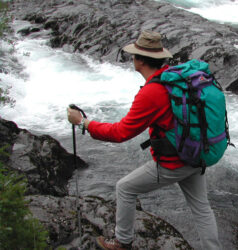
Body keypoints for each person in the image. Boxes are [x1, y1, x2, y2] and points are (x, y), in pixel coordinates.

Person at [67, 30, 221, 250]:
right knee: (201, 207)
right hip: (196, 153)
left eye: (134, 55)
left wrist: (84, 122)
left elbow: (120, 133)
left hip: (175, 161)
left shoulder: (152, 92)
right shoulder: (175, 77)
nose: (133, 59)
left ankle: (122, 242)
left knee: (125, 188)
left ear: (139, 60)